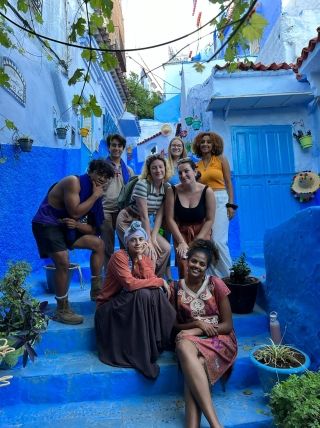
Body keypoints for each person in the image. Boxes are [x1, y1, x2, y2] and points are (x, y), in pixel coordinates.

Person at [32, 159, 115, 325]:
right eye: (99, 173)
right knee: (63, 261)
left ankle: (96, 289)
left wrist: (77, 225)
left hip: (66, 226)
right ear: (90, 171)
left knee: (98, 244)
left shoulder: (95, 193)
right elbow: (75, 212)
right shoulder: (74, 182)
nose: (102, 179)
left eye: (106, 177)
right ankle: (62, 309)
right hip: (46, 223)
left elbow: (93, 229)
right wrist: (95, 196)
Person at [95, 221, 176, 379]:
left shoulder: (145, 258)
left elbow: (149, 280)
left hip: (126, 304)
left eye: (140, 239)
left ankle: (159, 341)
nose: (137, 243)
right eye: (133, 240)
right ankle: (143, 350)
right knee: (144, 294)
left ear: (145, 242)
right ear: (127, 242)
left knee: (153, 293)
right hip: (108, 309)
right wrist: (161, 281)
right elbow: (130, 284)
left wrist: (140, 259)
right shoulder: (119, 256)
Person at [170, 239, 237, 428]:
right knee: (187, 350)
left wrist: (198, 329)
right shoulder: (175, 288)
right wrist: (196, 324)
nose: (196, 266)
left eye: (202, 264)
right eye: (194, 261)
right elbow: (174, 325)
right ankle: (216, 425)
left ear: (207, 267)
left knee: (188, 352)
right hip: (191, 340)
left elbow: (228, 325)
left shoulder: (215, 284)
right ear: (187, 259)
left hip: (219, 339)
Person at [116, 154, 171, 277]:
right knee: (144, 249)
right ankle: (140, 282)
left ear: (165, 168)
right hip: (127, 220)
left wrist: (154, 237)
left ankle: (155, 280)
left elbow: (159, 216)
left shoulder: (166, 188)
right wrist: (149, 241)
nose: (158, 170)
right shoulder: (142, 184)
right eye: (154, 168)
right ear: (149, 171)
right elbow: (145, 216)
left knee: (166, 248)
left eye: (161, 167)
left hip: (141, 224)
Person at [193, 132, 237, 278]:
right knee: (209, 240)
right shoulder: (196, 165)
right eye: (203, 142)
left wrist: (231, 204)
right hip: (203, 201)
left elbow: (229, 182)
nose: (205, 144)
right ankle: (212, 277)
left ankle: (229, 276)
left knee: (219, 240)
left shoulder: (221, 160)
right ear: (199, 144)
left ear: (214, 145)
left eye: (209, 142)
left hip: (220, 199)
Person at [165, 158, 215, 278]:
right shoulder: (172, 191)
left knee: (199, 260)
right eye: (180, 173)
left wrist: (197, 242)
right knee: (183, 261)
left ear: (194, 171)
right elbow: (170, 219)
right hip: (181, 231)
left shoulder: (207, 191)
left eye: (186, 171)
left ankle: (201, 291)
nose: (183, 175)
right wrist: (181, 242)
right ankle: (184, 293)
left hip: (202, 231)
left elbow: (209, 220)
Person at [101, 134, 134, 271]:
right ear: (108, 147)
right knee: (107, 246)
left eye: (119, 146)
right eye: (113, 145)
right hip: (105, 210)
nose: (116, 148)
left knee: (126, 245)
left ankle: (124, 274)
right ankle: (109, 277)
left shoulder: (128, 170)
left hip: (122, 212)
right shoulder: (101, 167)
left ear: (123, 148)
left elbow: (132, 192)